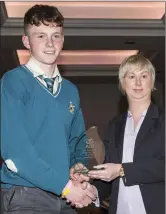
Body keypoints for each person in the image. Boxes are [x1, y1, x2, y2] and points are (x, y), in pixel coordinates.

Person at [1, 4, 97, 214]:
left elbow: (78, 142)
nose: (50, 44)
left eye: (56, 35)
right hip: (26, 194)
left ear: (63, 39)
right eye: (41, 36)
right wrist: (65, 187)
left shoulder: (71, 91)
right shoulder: (13, 81)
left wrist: (80, 170)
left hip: (64, 197)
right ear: (26, 41)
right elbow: (16, 152)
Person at [88, 54, 165, 214]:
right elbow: (109, 170)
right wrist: (92, 192)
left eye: (144, 76)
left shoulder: (163, 121)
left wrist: (122, 170)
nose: (138, 82)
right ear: (123, 83)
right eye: (131, 76)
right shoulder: (115, 125)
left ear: (152, 81)